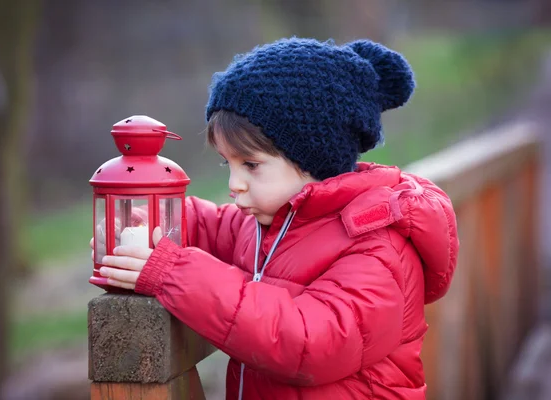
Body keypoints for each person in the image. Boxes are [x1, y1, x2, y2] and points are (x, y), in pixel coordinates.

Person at [96, 37, 459, 399]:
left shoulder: (378, 247)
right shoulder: (274, 222)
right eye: (229, 163)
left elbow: (307, 342)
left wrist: (172, 273)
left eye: (251, 165)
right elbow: (216, 226)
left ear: (314, 159)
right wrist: (155, 221)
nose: (234, 184)